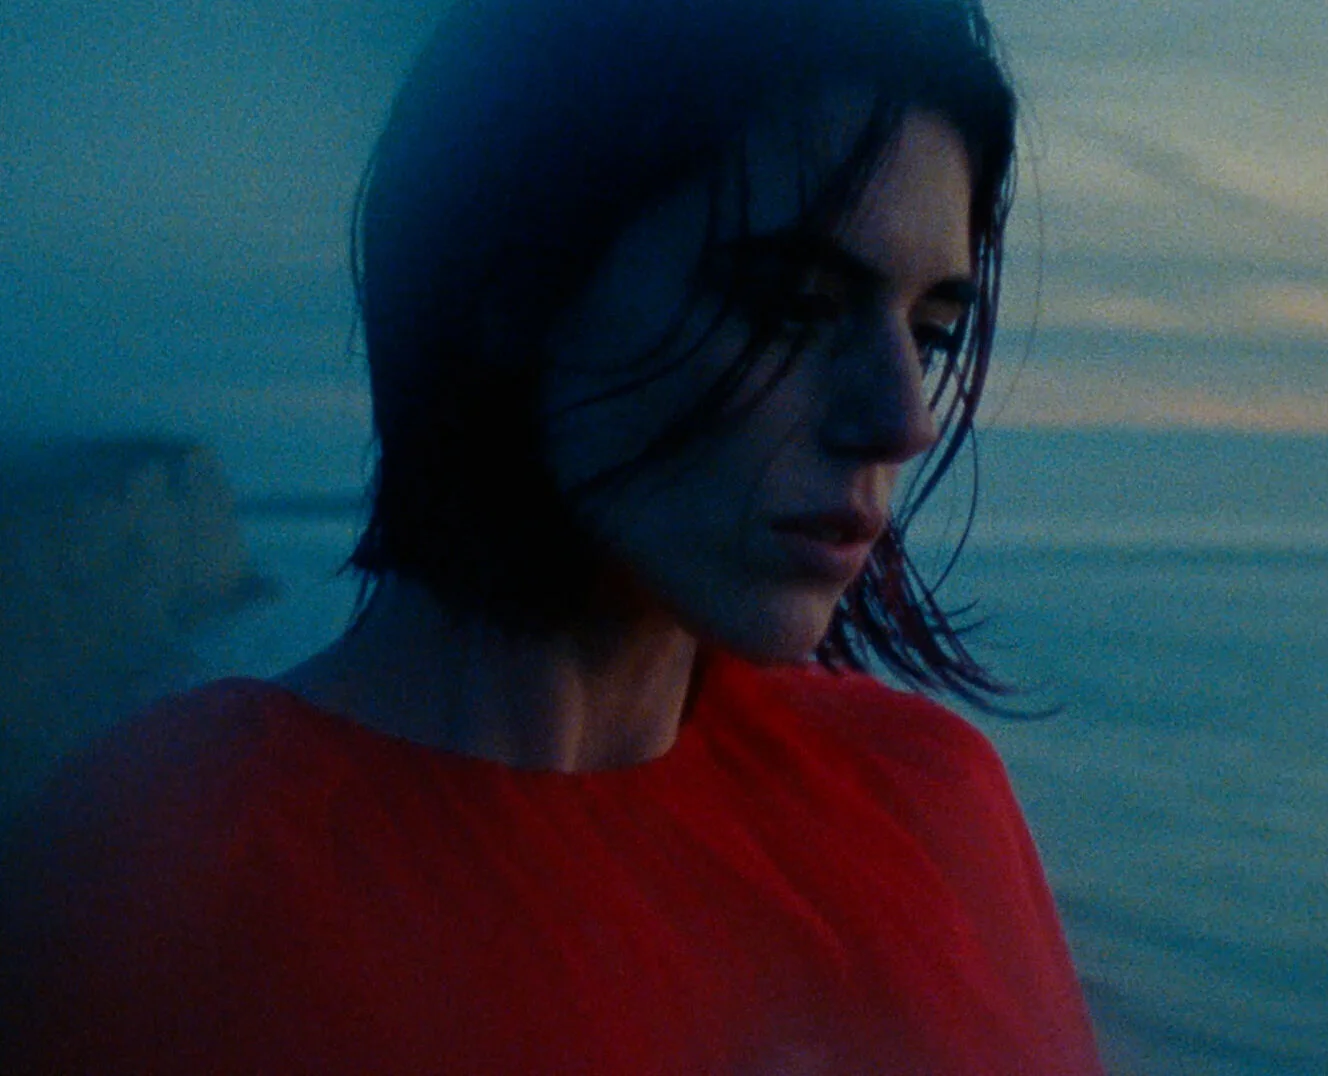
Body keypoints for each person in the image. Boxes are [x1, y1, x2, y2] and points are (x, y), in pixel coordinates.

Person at [1, 0, 1104, 1071]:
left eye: (930, 334)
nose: (903, 418)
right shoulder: (170, 874)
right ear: (516, 286)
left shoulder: (923, 797)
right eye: (790, 306)